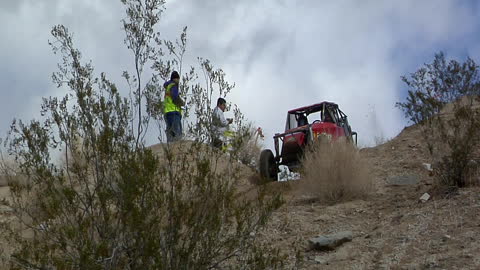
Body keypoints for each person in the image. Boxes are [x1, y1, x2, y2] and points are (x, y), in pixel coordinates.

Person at [164, 71, 184, 142]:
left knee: (170, 134)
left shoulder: (168, 87)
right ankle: (177, 151)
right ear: (176, 78)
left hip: (167, 112)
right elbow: (175, 97)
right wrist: (181, 103)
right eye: (178, 79)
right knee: (177, 134)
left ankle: (170, 151)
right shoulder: (174, 85)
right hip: (174, 112)